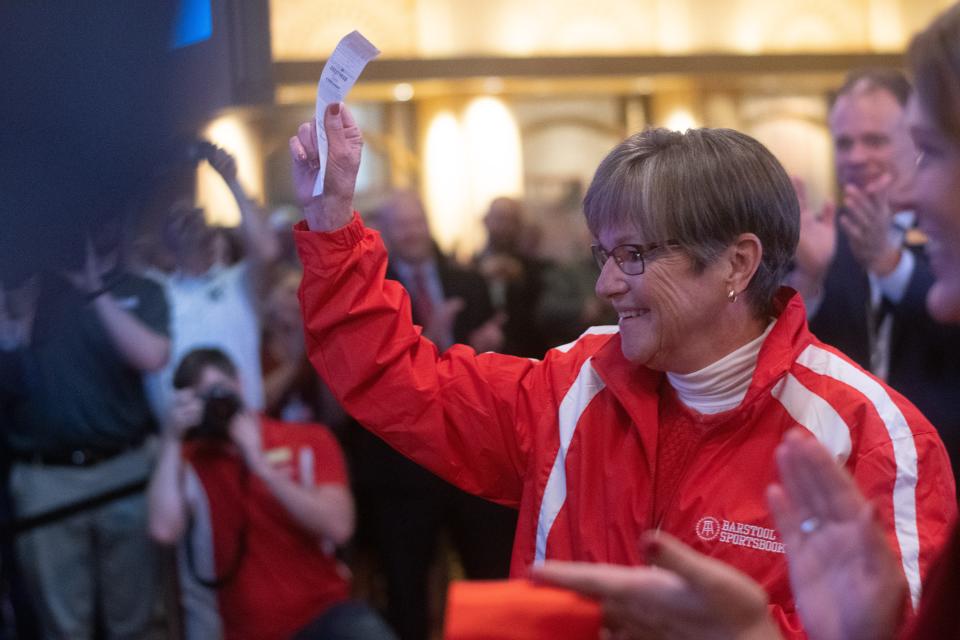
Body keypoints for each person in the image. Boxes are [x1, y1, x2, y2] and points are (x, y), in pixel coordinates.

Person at [289, 105, 955, 638]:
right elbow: (396, 382)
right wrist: (330, 217)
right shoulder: (574, 385)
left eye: (633, 254)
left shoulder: (868, 437)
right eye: (603, 252)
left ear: (736, 264)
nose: (606, 282)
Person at [537, 5, 960, 639]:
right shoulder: (833, 248)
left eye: (919, 149)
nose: (901, 188)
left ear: (737, 262)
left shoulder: (872, 423)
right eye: (844, 141)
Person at [348, 191, 514, 640]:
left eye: (417, 221)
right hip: (401, 466)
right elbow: (375, 375)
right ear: (383, 230)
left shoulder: (469, 282)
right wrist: (436, 341)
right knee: (406, 592)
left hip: (470, 457)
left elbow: (494, 364)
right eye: (400, 224)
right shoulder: (373, 293)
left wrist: (484, 347)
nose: (412, 232)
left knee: (492, 576)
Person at [147, 347, 396, 640]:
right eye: (199, 402)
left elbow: (339, 527)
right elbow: (163, 530)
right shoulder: (190, 461)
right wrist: (172, 440)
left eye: (217, 394)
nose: (213, 408)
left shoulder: (306, 439)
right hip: (239, 631)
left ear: (239, 384)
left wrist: (260, 465)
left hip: (324, 614)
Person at [2, 220, 171, 639]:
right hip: (46, 478)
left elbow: (151, 356)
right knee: (63, 627)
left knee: (135, 620)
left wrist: (95, 288)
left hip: (123, 470)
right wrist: (22, 308)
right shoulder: (24, 292)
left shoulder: (141, 290)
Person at [788, 70, 960, 479]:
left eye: (875, 140)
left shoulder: (948, 227)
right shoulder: (823, 237)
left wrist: (890, 265)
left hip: (944, 460)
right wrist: (809, 281)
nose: (856, 157)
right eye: (844, 143)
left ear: (915, 142)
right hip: (850, 468)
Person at [145, 144, 279, 422]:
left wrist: (232, 182)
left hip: (245, 426)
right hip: (186, 438)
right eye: (178, 219)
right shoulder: (156, 294)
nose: (190, 220)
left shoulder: (237, 284)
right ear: (166, 245)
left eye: (195, 215)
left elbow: (266, 251)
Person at [474, 197, 549, 357]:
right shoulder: (467, 269)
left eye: (511, 220)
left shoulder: (534, 271)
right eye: (499, 218)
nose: (505, 227)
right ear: (486, 221)